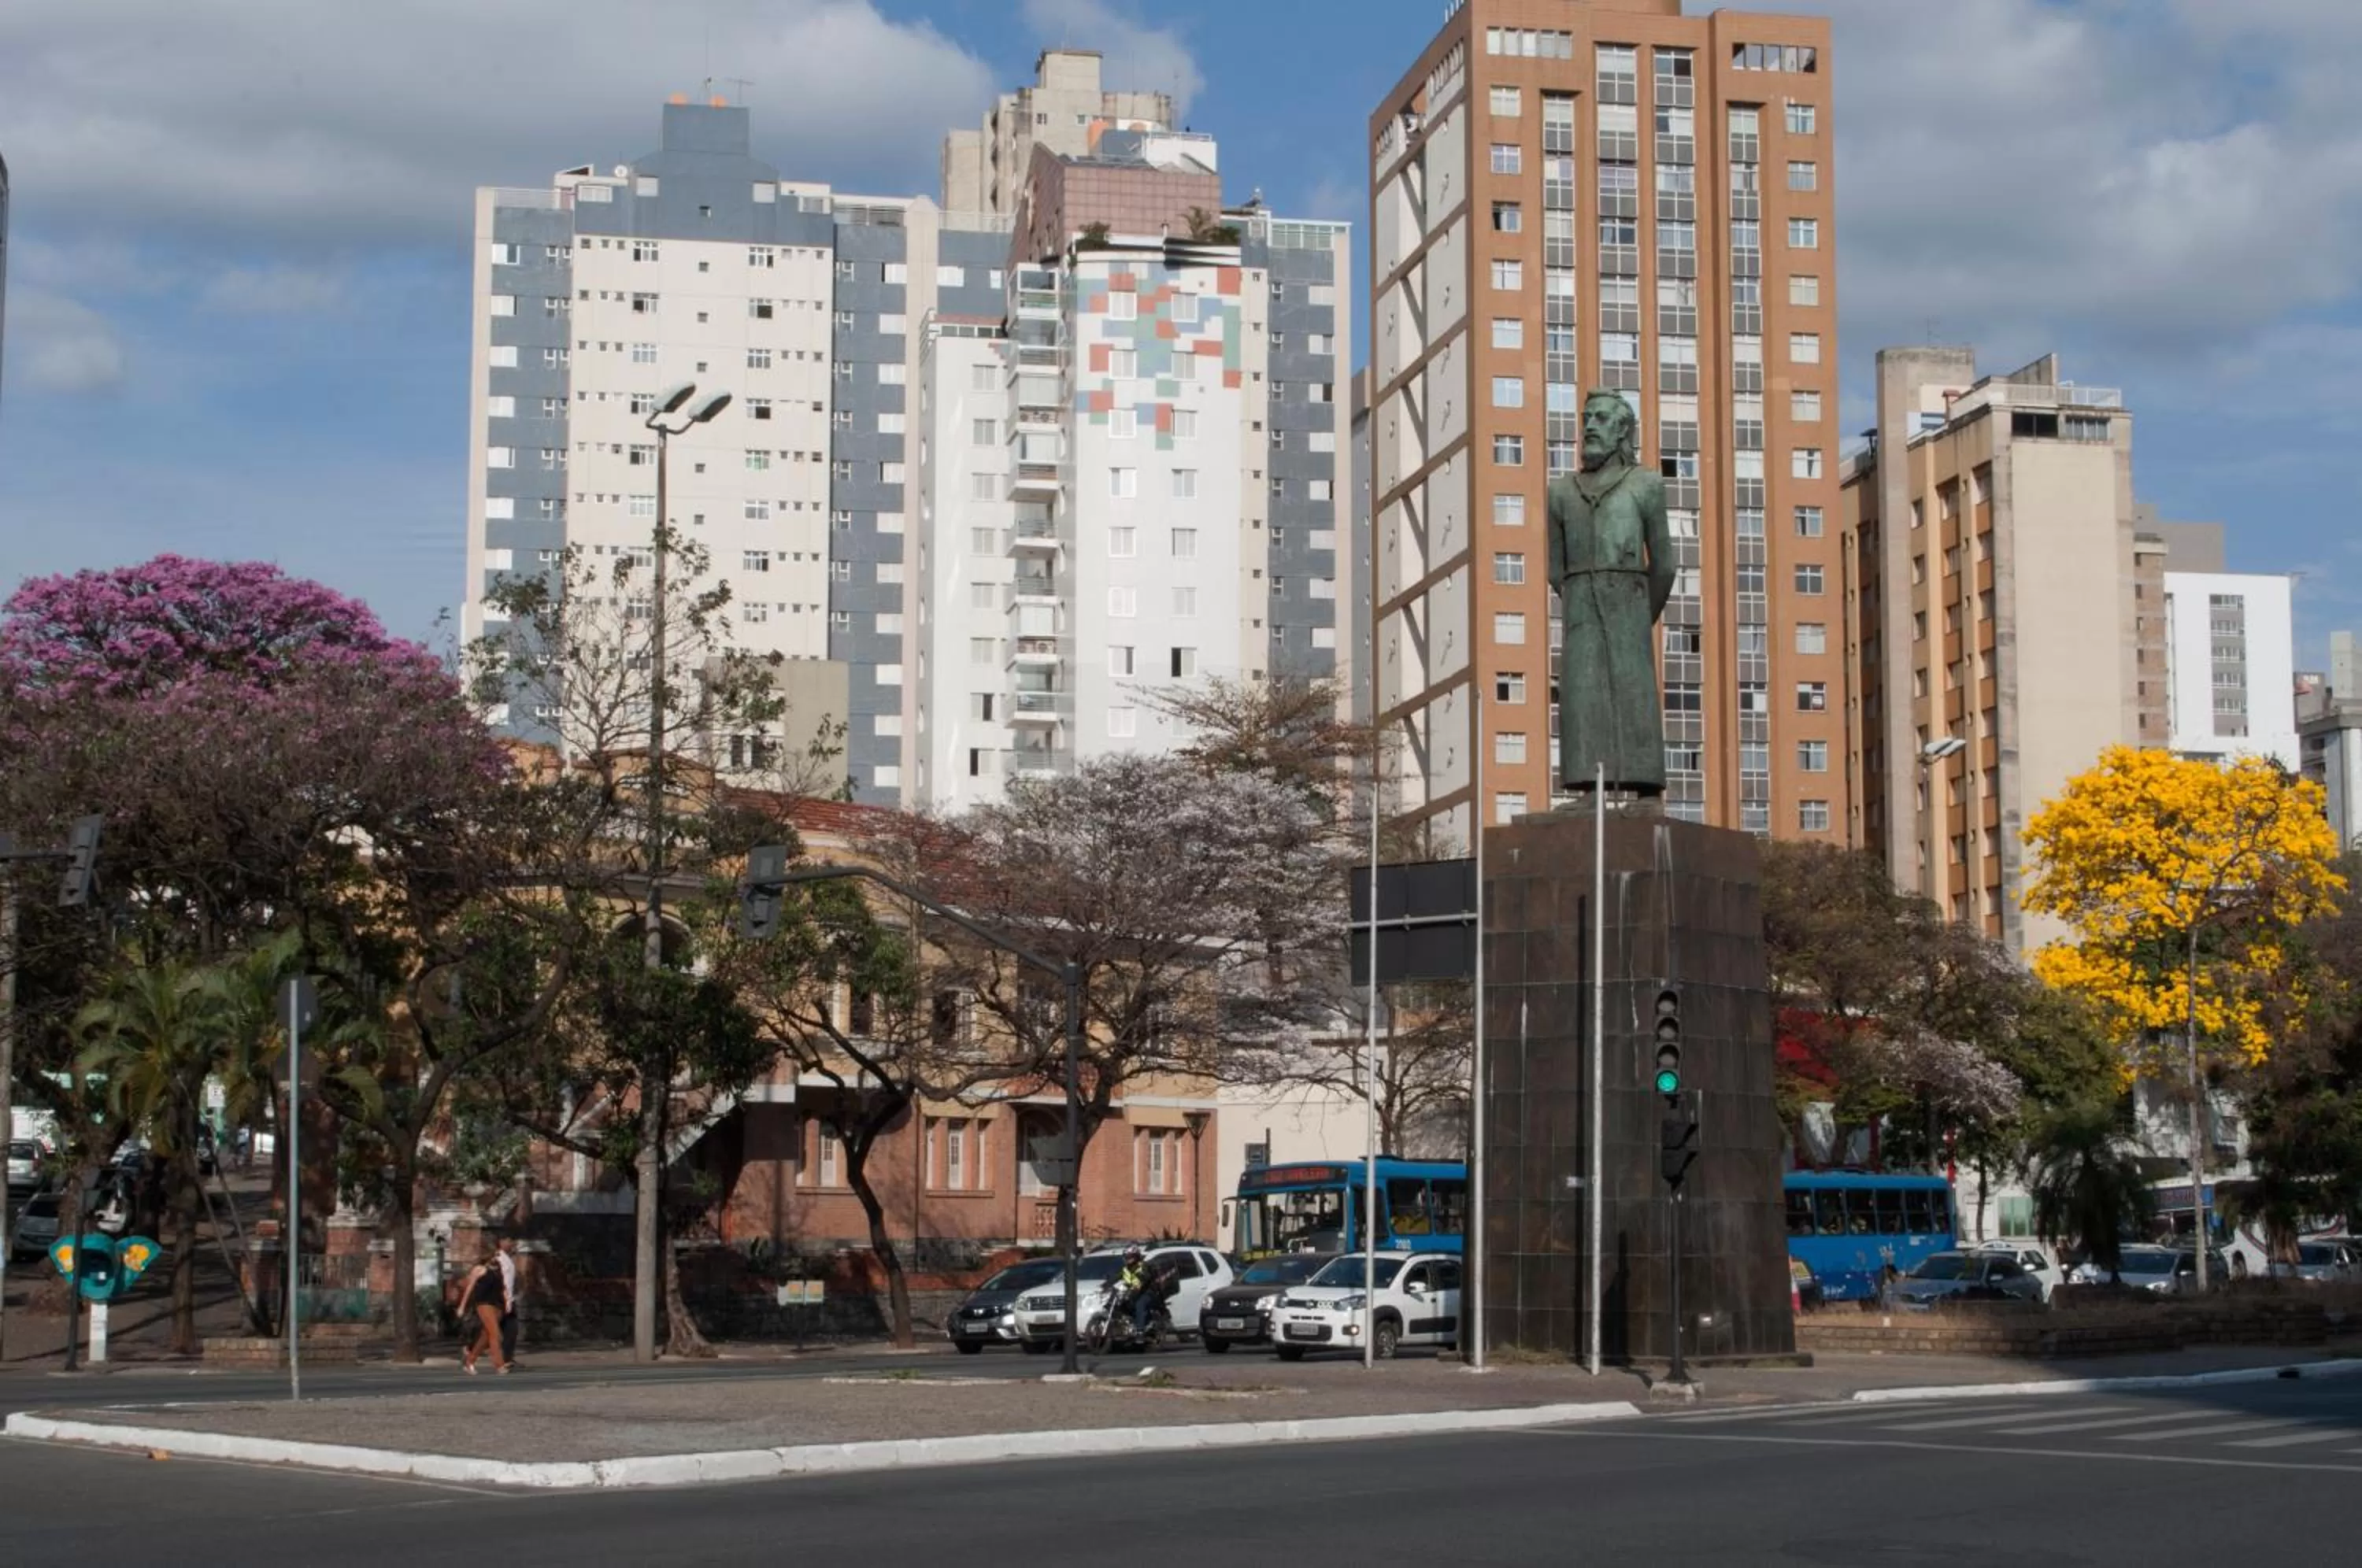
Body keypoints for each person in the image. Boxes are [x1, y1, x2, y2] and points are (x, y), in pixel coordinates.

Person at [458, 1248, 511, 1374]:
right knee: (496, 1334)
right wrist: (462, 1306)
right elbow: (470, 1287)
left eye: (497, 1256)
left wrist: (507, 1301)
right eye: (495, 1255)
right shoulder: (479, 1269)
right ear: (488, 1256)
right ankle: (499, 1365)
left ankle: (470, 1361)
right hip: (484, 1304)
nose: (497, 1258)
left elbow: (503, 1288)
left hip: (497, 1305)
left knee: (486, 1336)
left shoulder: (498, 1270)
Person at [494, 1235, 522, 1368]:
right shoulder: (498, 1258)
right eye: (509, 1241)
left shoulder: (508, 1258)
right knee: (491, 1330)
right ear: (501, 1242)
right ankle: (470, 1349)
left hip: (509, 1299)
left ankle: (507, 1358)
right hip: (500, 1299)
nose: (512, 1244)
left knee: (511, 1329)